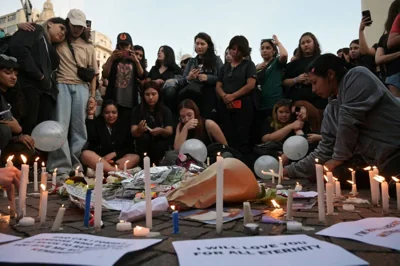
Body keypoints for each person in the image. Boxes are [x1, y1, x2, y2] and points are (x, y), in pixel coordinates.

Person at [284, 54, 400, 183]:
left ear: (330, 74)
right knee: (325, 175)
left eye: (315, 82)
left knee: (395, 185)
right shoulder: (331, 110)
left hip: (396, 149)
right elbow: (324, 151)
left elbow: (349, 120)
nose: (313, 89)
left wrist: (338, 159)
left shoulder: (357, 76)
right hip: (379, 162)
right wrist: (289, 171)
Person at [47, 9, 99, 181]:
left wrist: (92, 96)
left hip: (82, 88)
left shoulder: (89, 47)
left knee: (79, 129)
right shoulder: (59, 40)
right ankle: (60, 167)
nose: (77, 29)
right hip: (61, 84)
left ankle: (76, 165)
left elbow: (94, 74)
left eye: (80, 26)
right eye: (74, 25)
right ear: (68, 22)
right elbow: (45, 30)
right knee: (60, 126)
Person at [7, 17, 67, 135]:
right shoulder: (36, 30)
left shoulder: (51, 46)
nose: (63, 33)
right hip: (29, 87)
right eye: (61, 28)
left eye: (65, 33)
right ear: (50, 24)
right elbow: (19, 49)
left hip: (45, 93)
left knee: (40, 131)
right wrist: (38, 75)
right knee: (27, 127)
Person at [216, 35, 256, 164]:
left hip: (244, 106)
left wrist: (233, 96)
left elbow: (251, 84)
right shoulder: (224, 67)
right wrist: (224, 96)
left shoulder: (248, 65)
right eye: (232, 48)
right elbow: (218, 85)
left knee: (243, 138)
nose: (234, 52)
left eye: (238, 49)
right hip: (226, 107)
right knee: (227, 136)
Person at [81, 99, 139, 173]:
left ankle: (109, 170)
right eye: (107, 112)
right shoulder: (96, 123)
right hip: (100, 159)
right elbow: (91, 138)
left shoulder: (123, 125)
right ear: (102, 113)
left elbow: (129, 147)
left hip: (117, 161)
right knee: (85, 154)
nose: (111, 115)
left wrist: (114, 154)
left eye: (114, 112)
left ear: (118, 113)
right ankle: (117, 172)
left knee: (135, 157)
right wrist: (91, 115)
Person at [179, 32, 223, 121]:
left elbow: (222, 78)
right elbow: (181, 80)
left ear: (208, 46)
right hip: (193, 94)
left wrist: (208, 78)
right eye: (197, 43)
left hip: (210, 95)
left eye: (202, 44)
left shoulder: (216, 60)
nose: (199, 46)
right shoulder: (191, 61)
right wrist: (189, 78)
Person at [103, 33, 144, 125]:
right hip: (114, 100)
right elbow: (105, 74)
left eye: (126, 45)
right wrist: (111, 59)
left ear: (131, 46)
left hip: (130, 101)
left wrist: (136, 61)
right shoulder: (113, 59)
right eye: (122, 45)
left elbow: (142, 75)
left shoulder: (134, 61)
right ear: (118, 46)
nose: (124, 48)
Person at [252, 35, 288, 143]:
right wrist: (255, 69)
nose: (264, 50)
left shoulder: (276, 62)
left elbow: (284, 55)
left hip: (275, 104)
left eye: (268, 48)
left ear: (273, 51)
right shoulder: (258, 67)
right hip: (261, 105)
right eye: (262, 48)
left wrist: (277, 42)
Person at [131, 81, 173, 165]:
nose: (150, 97)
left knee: (160, 144)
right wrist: (139, 130)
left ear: (159, 94)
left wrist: (161, 130)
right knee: (144, 138)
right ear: (143, 96)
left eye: (153, 94)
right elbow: (133, 132)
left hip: (160, 142)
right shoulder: (137, 110)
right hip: (144, 144)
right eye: (147, 94)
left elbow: (169, 131)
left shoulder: (165, 110)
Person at [282, 32, 327, 110]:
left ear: (314, 43)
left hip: (318, 101)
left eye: (308, 42)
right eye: (303, 43)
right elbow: (284, 82)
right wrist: (297, 79)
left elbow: (329, 79)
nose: (306, 45)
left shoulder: (323, 60)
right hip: (296, 101)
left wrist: (313, 80)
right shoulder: (293, 64)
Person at [376, 1, 400, 97]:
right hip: (394, 75)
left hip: (392, 77)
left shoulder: (385, 38)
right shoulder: (385, 38)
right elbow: (378, 59)